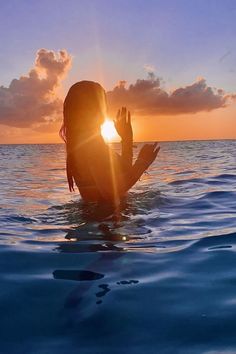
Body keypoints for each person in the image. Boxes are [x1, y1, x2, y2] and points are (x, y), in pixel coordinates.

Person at [59, 81, 160, 207]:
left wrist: (127, 139)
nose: (106, 108)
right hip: (106, 220)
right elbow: (110, 192)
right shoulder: (91, 146)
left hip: (94, 218)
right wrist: (142, 162)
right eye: (102, 103)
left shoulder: (80, 145)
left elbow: (122, 173)